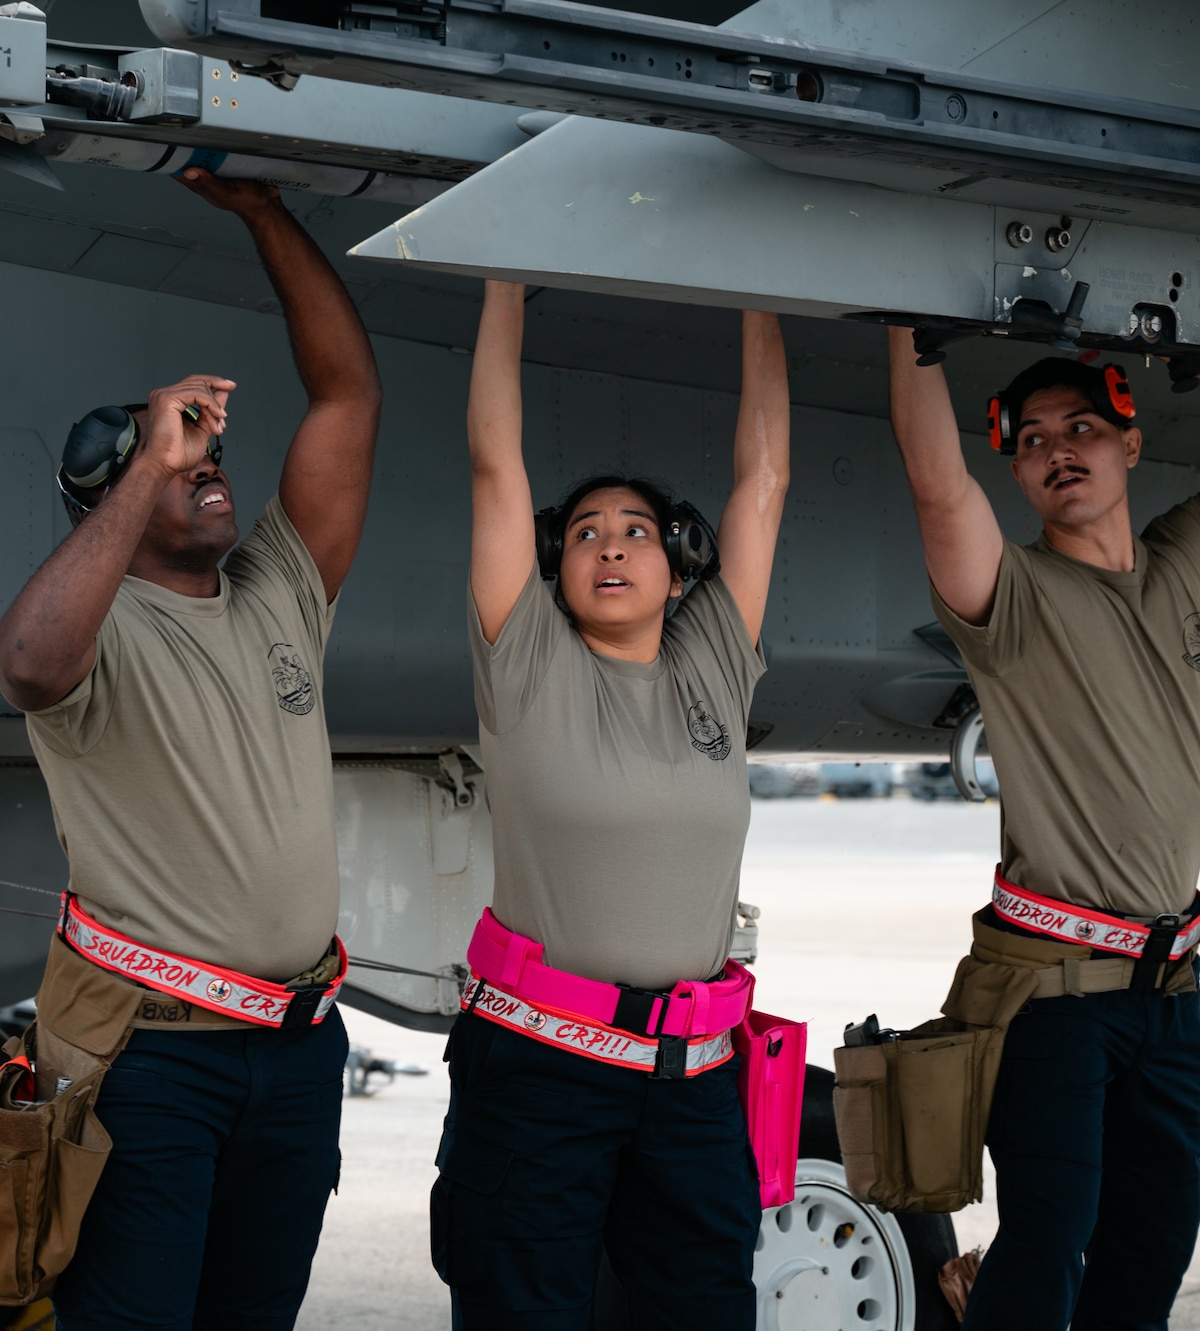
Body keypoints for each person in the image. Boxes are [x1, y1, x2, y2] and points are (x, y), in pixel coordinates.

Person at [0, 169, 380, 1331]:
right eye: (172, 466)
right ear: (105, 505)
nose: (206, 466)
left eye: (209, 457)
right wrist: (152, 458)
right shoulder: (96, 634)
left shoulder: (277, 591)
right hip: (147, 1060)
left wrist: (266, 214)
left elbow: (347, 396)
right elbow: (24, 663)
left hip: (296, 1047)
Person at [888, 336, 1200, 1329]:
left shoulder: (1197, 560)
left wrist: (1187, 350)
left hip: (1168, 993)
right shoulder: (1011, 599)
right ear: (1016, 469)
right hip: (1050, 998)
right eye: (1033, 439)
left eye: (1082, 426)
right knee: (1046, 1243)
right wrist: (906, 334)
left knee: (1151, 1244)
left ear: (1130, 443)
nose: (1058, 449)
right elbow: (934, 488)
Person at [430, 279, 790, 1329]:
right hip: (542, 1071)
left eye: (636, 530)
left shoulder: (713, 661)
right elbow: (496, 464)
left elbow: (760, 482)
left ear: (676, 573)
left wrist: (765, 299)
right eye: (585, 532)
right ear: (555, 570)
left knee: (705, 1311)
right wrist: (503, 282)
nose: (612, 544)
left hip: (689, 1083)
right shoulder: (528, 658)